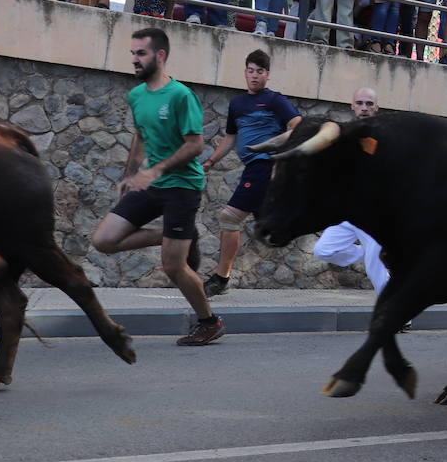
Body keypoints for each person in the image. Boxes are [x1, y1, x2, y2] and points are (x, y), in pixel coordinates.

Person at [91, 27, 222, 345]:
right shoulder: (136, 96)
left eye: (141, 53)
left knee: (173, 267)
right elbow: (140, 136)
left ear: (160, 56)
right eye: (132, 53)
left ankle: (209, 322)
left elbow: (195, 145)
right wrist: (129, 174)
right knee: (104, 240)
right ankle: (179, 239)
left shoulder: (180, 96)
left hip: (182, 185)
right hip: (151, 183)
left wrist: (157, 170)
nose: (134, 60)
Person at [200, 50, 302, 296]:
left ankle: (221, 278)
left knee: (229, 218)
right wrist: (211, 161)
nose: (254, 76)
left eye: (260, 71)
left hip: (265, 166)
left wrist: (275, 149)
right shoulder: (237, 104)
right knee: (267, 226)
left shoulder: (274, 100)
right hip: (253, 169)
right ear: (245, 72)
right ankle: (284, 218)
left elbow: (299, 126)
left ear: (267, 75)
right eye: (250, 70)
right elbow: (231, 138)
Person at [313, 88, 389, 295]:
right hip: (348, 213)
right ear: (352, 106)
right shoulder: (343, 134)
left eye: (369, 104)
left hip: (373, 214)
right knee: (323, 250)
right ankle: (362, 252)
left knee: (375, 269)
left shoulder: (383, 135)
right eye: (360, 103)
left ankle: (399, 316)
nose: (364, 108)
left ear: (376, 108)